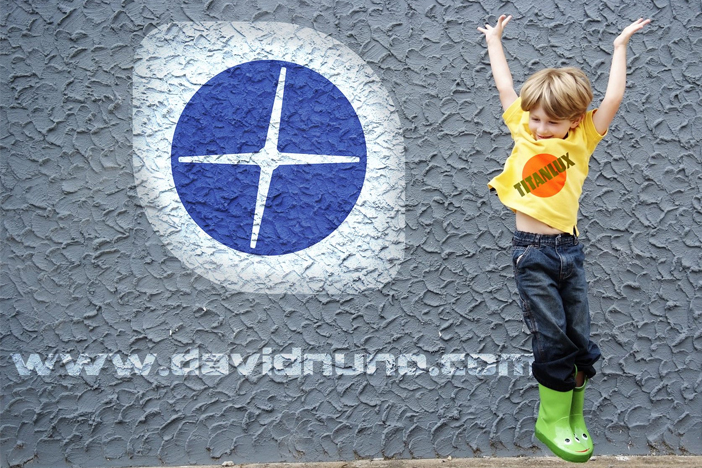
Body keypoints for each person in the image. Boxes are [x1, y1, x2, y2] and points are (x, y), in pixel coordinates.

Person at [478, 15, 650, 463]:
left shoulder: (583, 139)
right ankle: (551, 420)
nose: (539, 128)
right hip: (531, 255)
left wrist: (619, 47)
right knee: (551, 339)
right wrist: (495, 41)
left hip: (569, 252)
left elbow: (613, 98)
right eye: (535, 118)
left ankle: (574, 416)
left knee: (580, 341)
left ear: (574, 120)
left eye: (551, 122)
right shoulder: (523, 128)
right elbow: (505, 87)